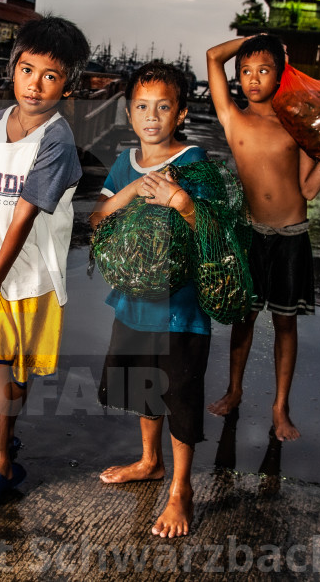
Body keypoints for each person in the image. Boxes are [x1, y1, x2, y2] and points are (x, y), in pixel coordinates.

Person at [0, 16, 90, 511]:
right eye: (27, 70)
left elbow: (24, 217)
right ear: (12, 70)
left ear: (68, 86)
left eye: (50, 75)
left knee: (11, 369)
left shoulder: (56, 141)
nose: (35, 84)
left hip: (31, 277)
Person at [90, 62, 210, 538]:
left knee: (179, 394)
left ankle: (181, 488)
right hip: (134, 301)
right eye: (142, 106)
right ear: (128, 112)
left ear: (180, 113)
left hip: (180, 309)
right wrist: (135, 190)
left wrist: (182, 202)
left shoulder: (194, 163)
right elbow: (98, 221)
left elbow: (215, 234)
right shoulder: (125, 164)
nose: (152, 116)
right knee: (144, 384)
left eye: (164, 107)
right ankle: (149, 461)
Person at [204, 34, 320, 441]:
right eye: (245, 71)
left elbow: (309, 190)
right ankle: (234, 390)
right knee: (244, 321)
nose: (253, 78)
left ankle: (280, 407)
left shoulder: (295, 125)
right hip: (250, 234)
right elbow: (212, 56)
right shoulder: (232, 118)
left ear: (280, 75)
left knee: (285, 325)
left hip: (291, 237)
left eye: (264, 70)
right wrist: (259, 41)